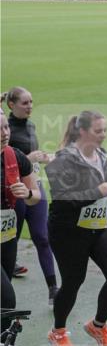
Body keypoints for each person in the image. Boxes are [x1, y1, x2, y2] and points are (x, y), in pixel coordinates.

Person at [45, 111, 107, 346]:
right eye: (98, 131)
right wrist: (96, 191)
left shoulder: (102, 155)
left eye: (105, 130)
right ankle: (58, 331)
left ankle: (98, 326)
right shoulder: (62, 160)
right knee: (72, 282)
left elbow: (102, 190)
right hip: (67, 230)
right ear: (82, 132)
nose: (103, 135)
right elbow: (62, 200)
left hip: (99, 226)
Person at [4, 87, 59, 305]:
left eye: (31, 102)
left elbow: (29, 161)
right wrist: (29, 157)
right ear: (11, 105)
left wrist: (41, 157)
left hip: (34, 187)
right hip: (14, 193)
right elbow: (7, 164)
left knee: (42, 237)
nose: (30, 107)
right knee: (10, 241)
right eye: (25, 103)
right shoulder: (6, 132)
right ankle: (5, 293)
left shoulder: (31, 124)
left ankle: (53, 288)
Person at [1, 114, 42, 332]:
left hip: (7, 238)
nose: (5, 133)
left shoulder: (15, 156)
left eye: (6, 127)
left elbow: (36, 195)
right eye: (0, 129)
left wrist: (26, 192)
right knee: (7, 298)